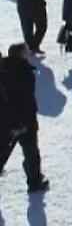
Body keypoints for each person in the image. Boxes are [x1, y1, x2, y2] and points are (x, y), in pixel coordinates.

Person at [0, 43, 48, 193]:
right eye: (26, 52)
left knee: (3, 151)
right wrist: (23, 123)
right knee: (31, 153)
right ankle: (35, 182)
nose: (28, 54)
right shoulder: (24, 72)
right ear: (21, 54)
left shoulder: (3, 69)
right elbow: (25, 99)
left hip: (6, 120)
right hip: (24, 121)